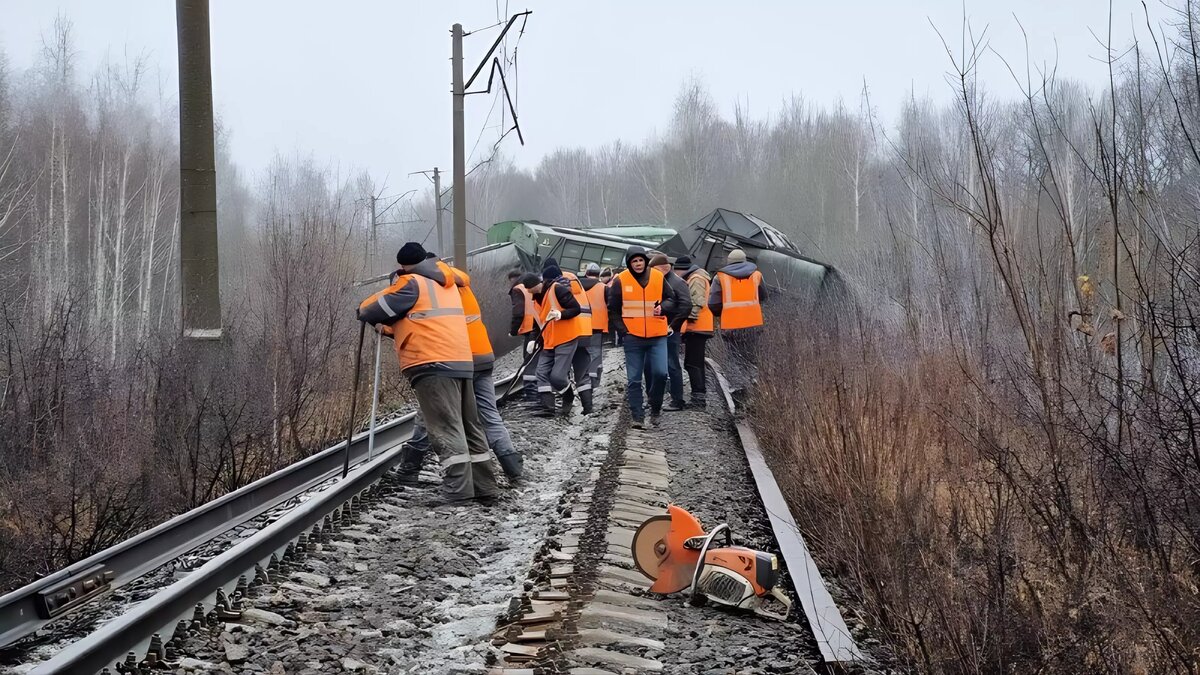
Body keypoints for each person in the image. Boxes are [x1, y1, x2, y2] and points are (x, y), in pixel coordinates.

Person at [357, 242, 498, 503]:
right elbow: (424, 320)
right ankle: (485, 487)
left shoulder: (412, 283)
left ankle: (458, 492)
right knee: (469, 426)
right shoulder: (447, 284)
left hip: (432, 363)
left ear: (403, 266)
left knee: (445, 427)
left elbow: (371, 308)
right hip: (462, 360)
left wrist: (368, 308)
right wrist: (391, 329)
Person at [608, 246, 678, 428]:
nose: (638, 264)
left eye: (640, 260)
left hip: (657, 335)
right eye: (634, 261)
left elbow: (672, 299)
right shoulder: (620, 281)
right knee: (634, 379)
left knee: (661, 373)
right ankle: (637, 416)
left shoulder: (657, 276)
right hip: (633, 338)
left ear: (645, 261)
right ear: (629, 263)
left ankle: (655, 408)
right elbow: (613, 309)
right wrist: (623, 331)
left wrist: (663, 307)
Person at [529, 264, 593, 416]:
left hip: (567, 334)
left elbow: (570, 310)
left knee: (561, 375)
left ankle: (567, 402)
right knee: (581, 374)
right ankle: (588, 410)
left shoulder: (555, 289)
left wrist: (560, 316)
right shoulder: (575, 284)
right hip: (583, 333)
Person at [708, 248, 767, 371]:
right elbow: (764, 297)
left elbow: (713, 304)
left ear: (729, 262)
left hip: (731, 325)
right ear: (745, 260)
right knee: (752, 358)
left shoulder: (720, 277)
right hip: (754, 324)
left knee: (734, 358)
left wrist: (722, 314)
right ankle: (752, 383)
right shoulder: (757, 275)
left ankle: (737, 386)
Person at [648, 254, 692, 411]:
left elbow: (686, 305)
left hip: (670, 329)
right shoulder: (665, 281)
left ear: (662, 268)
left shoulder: (677, 283)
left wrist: (674, 326)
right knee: (659, 364)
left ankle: (677, 400)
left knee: (672, 364)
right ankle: (656, 398)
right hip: (659, 327)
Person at [678, 256, 713, 406]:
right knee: (695, 362)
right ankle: (698, 394)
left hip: (697, 326)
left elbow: (696, 302)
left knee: (693, 363)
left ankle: (698, 397)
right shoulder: (697, 276)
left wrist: (686, 319)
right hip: (701, 326)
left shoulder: (696, 278)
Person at [509, 269, 540, 403]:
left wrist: (513, 330)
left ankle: (531, 396)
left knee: (528, 363)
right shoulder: (532, 286)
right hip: (540, 327)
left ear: (512, 279)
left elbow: (518, 312)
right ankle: (539, 392)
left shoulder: (517, 289)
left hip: (530, 329)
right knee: (537, 361)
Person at [579, 263, 609, 393]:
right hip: (597, 326)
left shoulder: (577, 286)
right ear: (599, 275)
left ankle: (582, 380)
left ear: (586, 273)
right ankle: (594, 383)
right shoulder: (604, 287)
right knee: (595, 353)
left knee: (580, 354)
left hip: (579, 326)